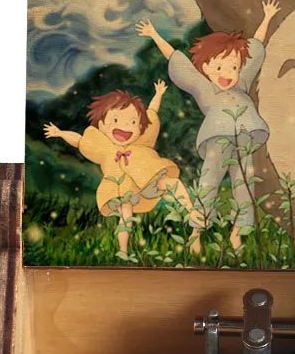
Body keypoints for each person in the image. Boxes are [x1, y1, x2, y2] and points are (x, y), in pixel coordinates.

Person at [135, 0, 280, 251]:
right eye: (219, 67)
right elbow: (176, 59)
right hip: (217, 139)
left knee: (244, 184)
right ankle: (196, 232)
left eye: (233, 67)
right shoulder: (201, 86)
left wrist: (267, 17)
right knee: (209, 183)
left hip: (244, 137)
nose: (227, 74)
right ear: (204, 67)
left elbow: (255, 49)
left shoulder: (242, 82)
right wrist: (154, 35)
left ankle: (237, 232)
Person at [43, 81, 203, 256]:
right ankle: (123, 251)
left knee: (170, 182)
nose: (125, 126)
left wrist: (158, 94)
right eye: (116, 120)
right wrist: (60, 133)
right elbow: (80, 140)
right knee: (125, 214)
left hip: (146, 180)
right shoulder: (102, 147)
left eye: (133, 121)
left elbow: (152, 112)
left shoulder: (142, 140)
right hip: (121, 188)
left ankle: (192, 211)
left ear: (140, 127)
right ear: (101, 125)